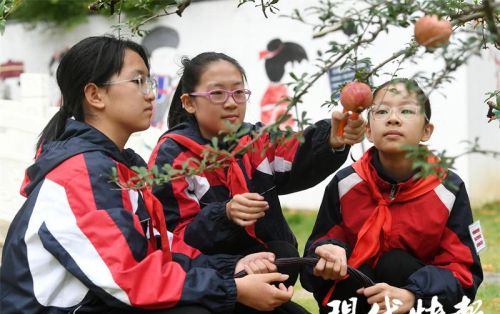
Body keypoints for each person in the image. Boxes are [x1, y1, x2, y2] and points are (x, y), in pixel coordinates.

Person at [0, 36, 295, 314]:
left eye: (149, 81)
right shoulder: (79, 175)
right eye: (138, 81)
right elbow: (130, 278)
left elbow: (161, 249)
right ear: (95, 95)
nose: (151, 93)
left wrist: (232, 266)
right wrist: (232, 288)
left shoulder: (118, 168)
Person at [148, 51, 365, 293]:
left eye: (238, 92)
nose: (231, 102)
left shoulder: (255, 141)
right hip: (213, 282)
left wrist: (331, 141)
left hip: (270, 271)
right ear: (189, 102)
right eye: (217, 93)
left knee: (282, 254)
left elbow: (296, 151)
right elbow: (174, 237)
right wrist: (225, 214)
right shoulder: (173, 156)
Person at [301, 78, 483, 314]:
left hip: (415, 303)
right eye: (382, 111)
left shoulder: (448, 188)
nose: (393, 118)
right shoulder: (346, 183)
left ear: (426, 131)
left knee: (395, 264)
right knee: (357, 270)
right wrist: (326, 253)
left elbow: (464, 272)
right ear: (368, 130)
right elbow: (312, 260)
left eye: (406, 110)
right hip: (355, 299)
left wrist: (413, 296)